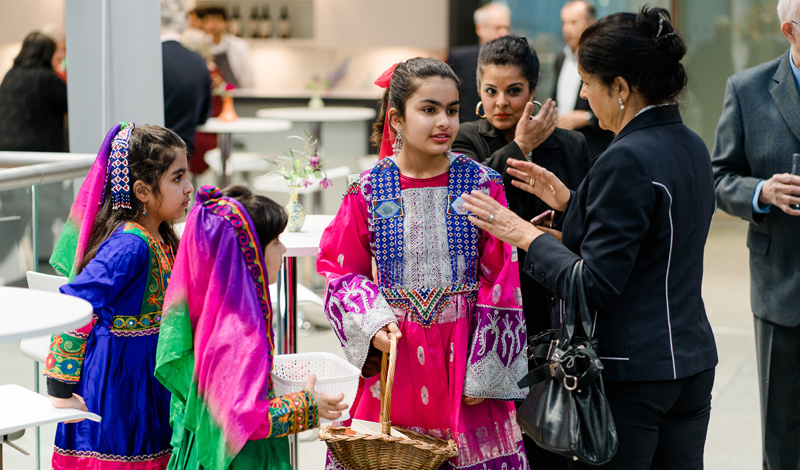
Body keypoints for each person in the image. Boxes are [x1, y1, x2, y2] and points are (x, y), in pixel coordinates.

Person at [461, 8, 718, 469]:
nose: (582, 92)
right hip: (691, 360)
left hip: (633, 370)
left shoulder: (626, 158)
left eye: (588, 81)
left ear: (620, 88)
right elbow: (653, 235)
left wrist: (522, 234)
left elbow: (594, 282)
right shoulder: (690, 143)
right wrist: (571, 202)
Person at [317, 57, 529, 469]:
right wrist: (374, 324)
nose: (444, 122)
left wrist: (486, 368)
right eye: (429, 109)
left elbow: (501, 273)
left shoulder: (482, 184)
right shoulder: (367, 190)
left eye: (452, 110)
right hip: (399, 350)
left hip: (466, 352)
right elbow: (340, 270)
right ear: (397, 118)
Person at [452, 34, 591, 469]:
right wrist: (520, 148)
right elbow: (462, 204)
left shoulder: (570, 145)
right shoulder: (466, 141)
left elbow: (586, 219)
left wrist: (556, 230)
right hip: (490, 303)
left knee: (550, 430)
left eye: (514, 91)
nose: (501, 103)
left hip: (550, 295)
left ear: (533, 90)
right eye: (491, 91)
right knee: (496, 426)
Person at [155, 185, 347, 470]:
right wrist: (306, 406)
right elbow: (238, 418)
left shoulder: (212, 313)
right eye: (275, 242)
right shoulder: (239, 332)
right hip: (241, 459)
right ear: (248, 253)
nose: (284, 249)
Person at [44, 123, 194, 469]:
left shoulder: (164, 239)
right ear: (142, 190)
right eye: (177, 178)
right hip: (118, 384)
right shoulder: (129, 245)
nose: (188, 189)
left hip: (148, 379)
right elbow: (75, 304)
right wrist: (60, 387)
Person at [711, 0, 800, 467]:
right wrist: (762, 191)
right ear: (790, 30)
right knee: (782, 436)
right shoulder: (748, 89)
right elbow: (719, 178)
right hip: (782, 283)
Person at [553, 1, 614, 158]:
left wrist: (586, 117)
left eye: (573, 22)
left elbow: (617, 105)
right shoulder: (560, 59)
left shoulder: (604, 59)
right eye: (563, 23)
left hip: (593, 151)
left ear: (591, 23)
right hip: (563, 149)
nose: (567, 29)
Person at [0, 31, 67, 152]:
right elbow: (72, 106)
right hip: (38, 150)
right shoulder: (47, 78)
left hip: (5, 149)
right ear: (47, 54)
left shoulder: (10, 74)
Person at [161, 0, 211, 156]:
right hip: (183, 153)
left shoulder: (149, 60)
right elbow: (203, 116)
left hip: (148, 158)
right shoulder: (198, 61)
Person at [447, 2, 511, 123]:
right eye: (498, 28)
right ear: (480, 29)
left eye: (506, 28)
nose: (504, 33)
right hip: (466, 130)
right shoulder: (460, 59)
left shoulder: (515, 61)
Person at [203, 7, 254, 89]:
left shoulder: (239, 46)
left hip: (234, 95)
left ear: (225, 23)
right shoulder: (202, 45)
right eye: (209, 21)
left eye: (216, 20)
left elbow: (248, 78)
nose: (212, 25)